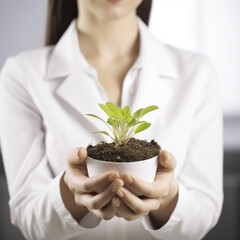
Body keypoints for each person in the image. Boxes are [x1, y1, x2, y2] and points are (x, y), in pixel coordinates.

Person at [0, 0, 223, 239]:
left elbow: (203, 214)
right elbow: (30, 219)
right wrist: (70, 193)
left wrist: (167, 198)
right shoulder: (22, 73)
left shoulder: (197, 73)